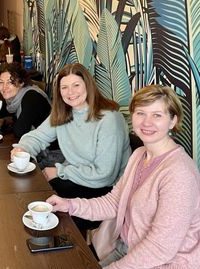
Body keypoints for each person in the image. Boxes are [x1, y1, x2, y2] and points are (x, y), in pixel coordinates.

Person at [48, 84, 200, 269]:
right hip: (128, 255)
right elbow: (113, 202)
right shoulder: (140, 154)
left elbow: (161, 249)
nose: (147, 122)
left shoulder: (179, 172)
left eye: (157, 115)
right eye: (140, 113)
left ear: (173, 121)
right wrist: (69, 205)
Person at [11, 63, 130, 229]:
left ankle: (72, 253)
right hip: (75, 180)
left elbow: (105, 175)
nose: (70, 92)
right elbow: (38, 136)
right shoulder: (63, 113)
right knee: (30, 199)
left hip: (105, 192)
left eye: (76, 85)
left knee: (51, 216)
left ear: (88, 85)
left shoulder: (109, 119)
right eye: (64, 87)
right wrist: (22, 148)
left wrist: (60, 171)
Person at [0, 63, 50, 139]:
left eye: (10, 82)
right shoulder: (11, 100)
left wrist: (6, 124)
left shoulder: (32, 97)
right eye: (1, 82)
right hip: (33, 144)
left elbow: (20, 132)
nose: (4, 87)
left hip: (51, 149)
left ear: (21, 82)